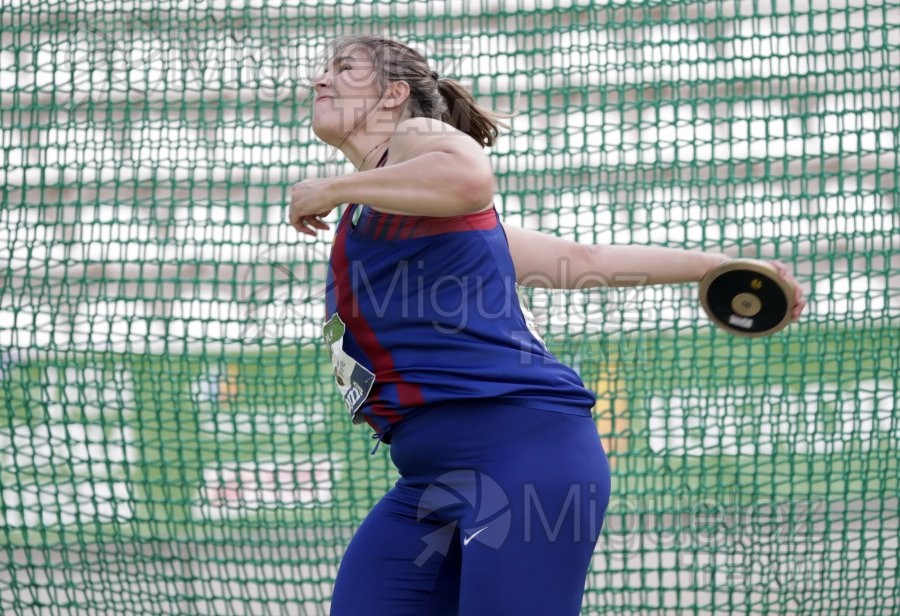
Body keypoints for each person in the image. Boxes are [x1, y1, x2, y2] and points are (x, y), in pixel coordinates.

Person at [288, 35, 805, 616]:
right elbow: (585, 262)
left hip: (523, 458)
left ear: (394, 95)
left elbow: (470, 177)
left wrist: (332, 186)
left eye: (344, 68)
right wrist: (717, 268)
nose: (320, 81)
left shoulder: (414, 139)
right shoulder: (402, 208)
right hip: (434, 477)